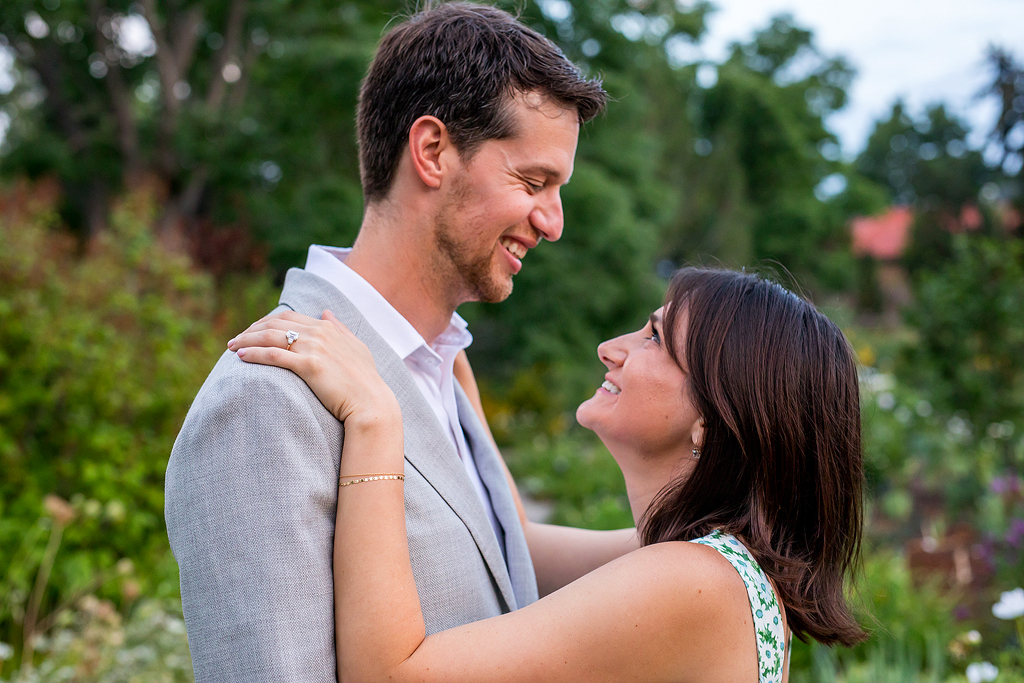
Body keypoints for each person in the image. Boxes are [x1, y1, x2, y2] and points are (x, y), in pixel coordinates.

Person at [164, 3, 632, 681]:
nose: (553, 221)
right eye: (533, 182)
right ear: (433, 150)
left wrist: (712, 546)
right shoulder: (266, 401)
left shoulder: (444, 364)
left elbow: (509, 561)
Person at [228, 267, 868, 682]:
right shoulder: (716, 567)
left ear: (712, 418)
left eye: (652, 339)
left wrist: (375, 416)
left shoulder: (692, 582)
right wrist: (451, 402)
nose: (610, 347)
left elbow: (392, 676)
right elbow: (517, 540)